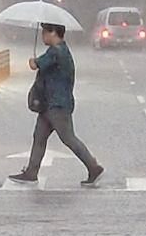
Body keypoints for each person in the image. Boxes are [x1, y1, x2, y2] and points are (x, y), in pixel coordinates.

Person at [9, 23, 104, 186]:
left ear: (54, 33)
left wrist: (33, 60)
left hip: (57, 104)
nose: (43, 36)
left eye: (45, 32)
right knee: (39, 137)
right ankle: (32, 172)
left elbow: (35, 65)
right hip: (49, 104)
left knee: (68, 138)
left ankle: (93, 167)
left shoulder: (57, 51)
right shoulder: (60, 50)